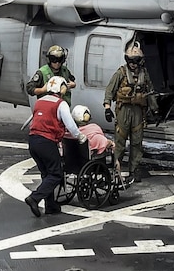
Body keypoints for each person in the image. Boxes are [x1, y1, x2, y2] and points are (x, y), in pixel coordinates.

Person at [25, 76, 86, 217]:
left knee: (46, 174)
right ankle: (34, 198)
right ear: (60, 88)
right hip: (46, 141)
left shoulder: (39, 101)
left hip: (33, 140)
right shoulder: (61, 104)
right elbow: (70, 124)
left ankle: (51, 205)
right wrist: (80, 136)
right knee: (56, 174)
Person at [103, 43, 157, 181]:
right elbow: (110, 90)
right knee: (120, 140)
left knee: (137, 142)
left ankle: (134, 170)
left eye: (136, 61)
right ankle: (116, 168)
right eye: (130, 61)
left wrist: (155, 109)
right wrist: (107, 108)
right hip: (124, 110)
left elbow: (149, 92)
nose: (133, 64)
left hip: (138, 111)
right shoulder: (120, 73)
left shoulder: (144, 74)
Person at [71, 104, 122, 173]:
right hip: (90, 163)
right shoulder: (93, 129)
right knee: (111, 146)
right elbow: (104, 142)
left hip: (73, 162)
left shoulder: (69, 133)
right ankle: (117, 172)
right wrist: (111, 143)